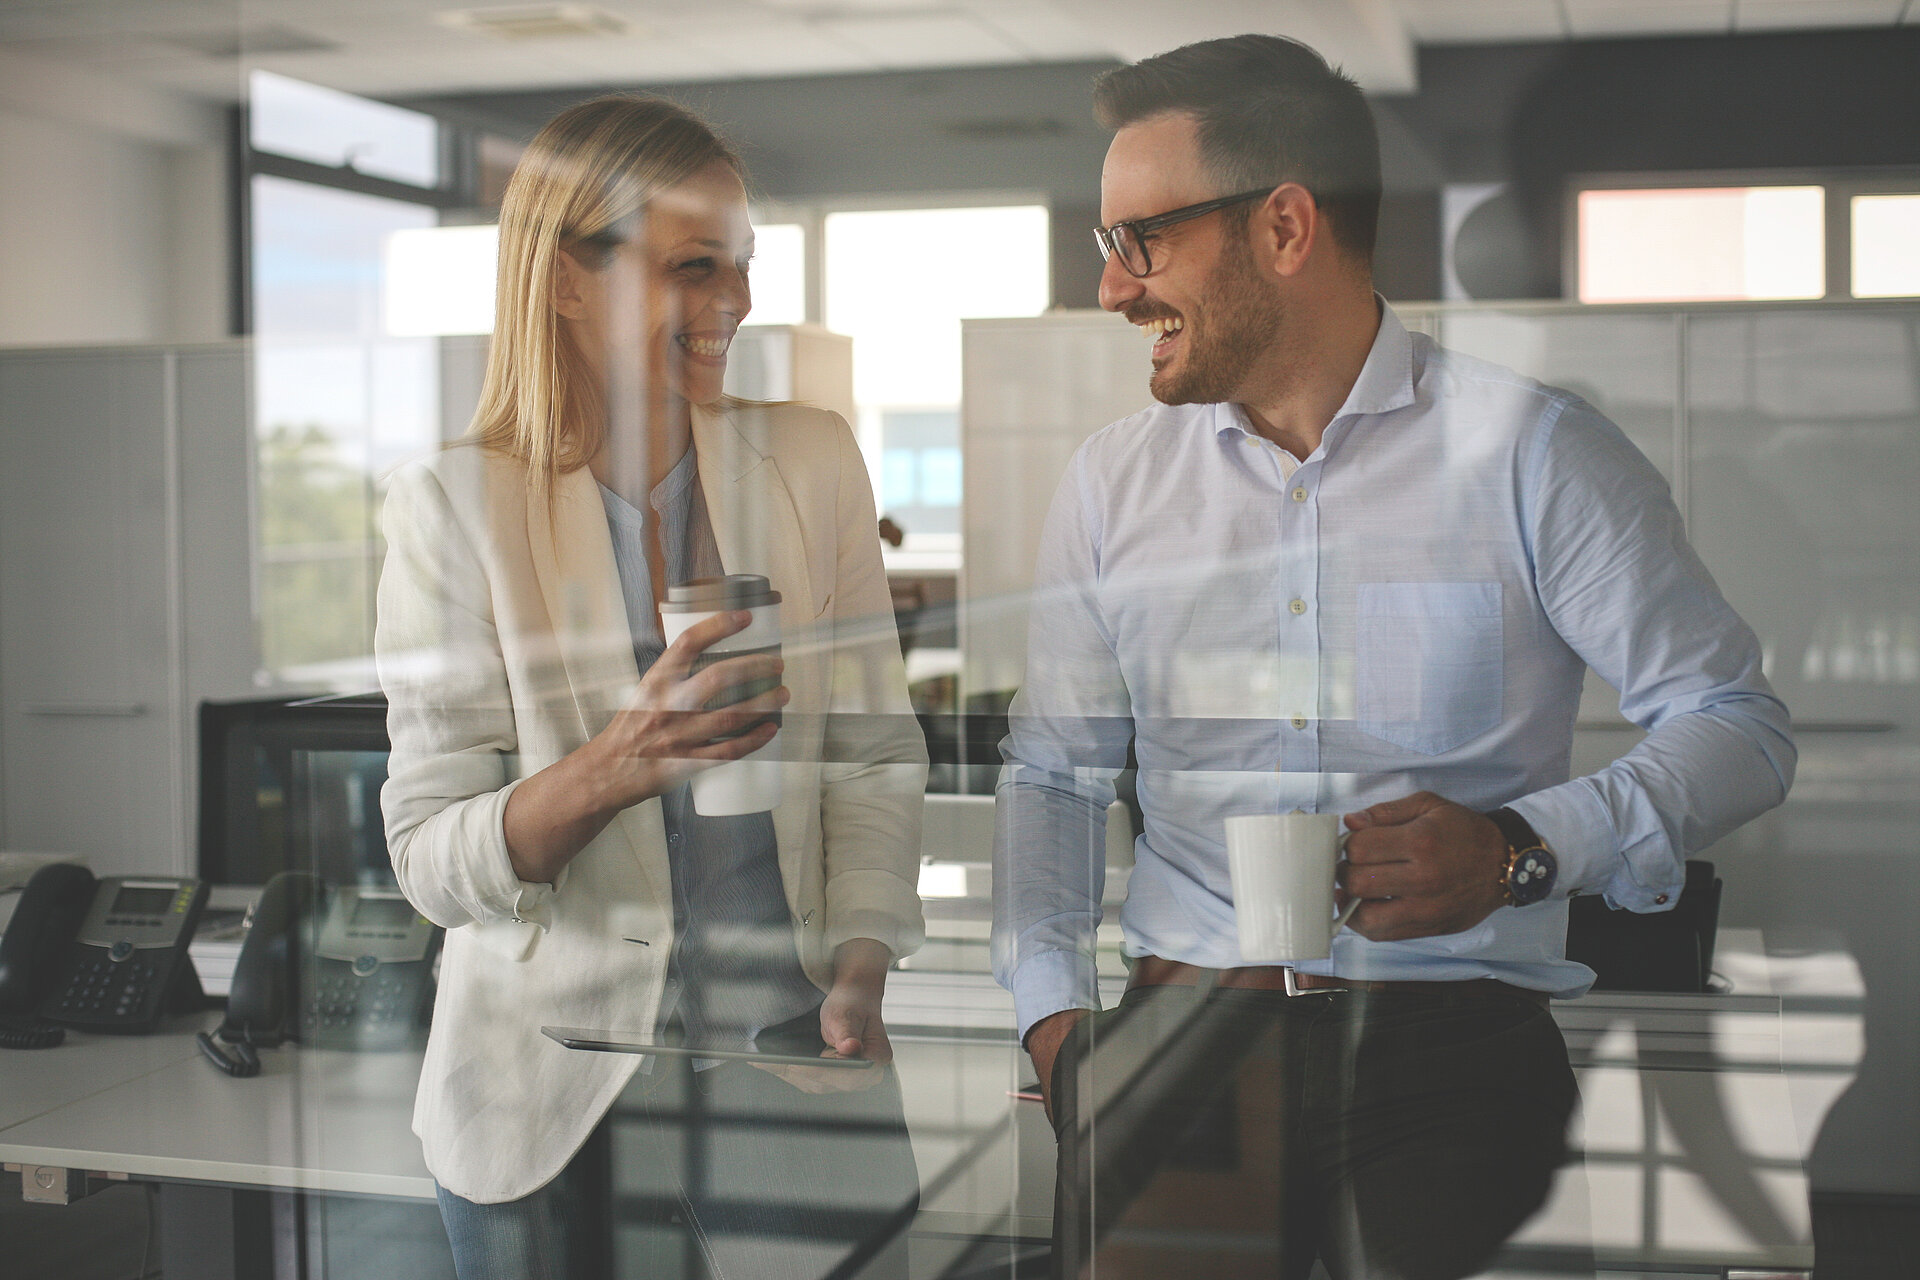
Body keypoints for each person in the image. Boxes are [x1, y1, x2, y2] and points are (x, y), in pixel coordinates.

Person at [991, 35, 1796, 1280]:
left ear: (1286, 227)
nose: (1112, 289)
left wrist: (1525, 845)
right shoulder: (1111, 483)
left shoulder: (1536, 454)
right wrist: (1054, 1021)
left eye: (1138, 241)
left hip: (1455, 1058)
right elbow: (1053, 774)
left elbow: (1737, 720)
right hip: (1175, 1051)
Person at [376, 94, 925, 1279]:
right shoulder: (455, 509)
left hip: (796, 1062)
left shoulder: (813, 458)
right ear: (569, 279)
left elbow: (875, 755)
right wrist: (614, 763)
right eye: (692, 266)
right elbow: (428, 855)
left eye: (740, 266)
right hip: (546, 1108)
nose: (732, 302)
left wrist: (862, 954)